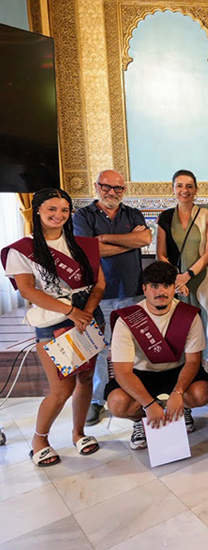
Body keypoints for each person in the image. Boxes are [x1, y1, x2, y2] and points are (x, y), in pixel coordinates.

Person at [2, 188, 106, 466]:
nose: (58, 215)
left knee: (85, 379)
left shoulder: (83, 245)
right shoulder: (22, 250)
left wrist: (86, 312)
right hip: (54, 319)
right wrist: (72, 312)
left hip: (87, 315)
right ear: (37, 210)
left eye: (64, 210)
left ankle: (78, 433)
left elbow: (99, 284)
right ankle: (39, 440)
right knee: (61, 388)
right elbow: (27, 291)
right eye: (52, 209)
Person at [105, 261, 208, 450]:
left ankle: (182, 408)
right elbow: (122, 372)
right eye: (154, 286)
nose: (160, 292)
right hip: (140, 374)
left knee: (201, 393)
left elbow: (194, 361)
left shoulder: (188, 315)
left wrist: (178, 393)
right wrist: (148, 404)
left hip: (176, 371)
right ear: (144, 289)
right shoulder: (127, 319)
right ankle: (139, 420)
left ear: (174, 288)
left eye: (167, 285)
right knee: (117, 403)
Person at [73, 170, 151, 426]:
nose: (112, 192)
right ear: (97, 186)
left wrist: (105, 239)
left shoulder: (132, 214)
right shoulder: (83, 216)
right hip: (98, 296)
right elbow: (87, 250)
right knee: (99, 347)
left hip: (133, 291)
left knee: (135, 346)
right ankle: (96, 400)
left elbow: (145, 238)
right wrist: (129, 242)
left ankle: (135, 393)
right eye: (107, 187)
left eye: (118, 188)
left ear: (124, 190)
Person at [156, 169, 208, 372]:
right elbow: (161, 254)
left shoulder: (207, 215)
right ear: (173, 189)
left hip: (203, 278)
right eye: (180, 186)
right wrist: (176, 279)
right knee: (180, 325)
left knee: (207, 323)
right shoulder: (165, 217)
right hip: (175, 282)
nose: (185, 190)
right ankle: (184, 372)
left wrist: (188, 275)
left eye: (189, 186)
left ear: (196, 190)